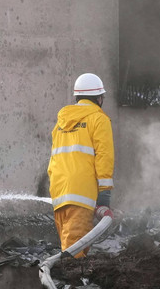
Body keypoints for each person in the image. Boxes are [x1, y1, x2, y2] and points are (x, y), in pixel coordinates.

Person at [47, 73, 114, 257]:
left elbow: (54, 161)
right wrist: (105, 193)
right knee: (74, 253)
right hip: (81, 195)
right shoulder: (99, 119)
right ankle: (69, 285)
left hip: (60, 194)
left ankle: (70, 283)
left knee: (68, 246)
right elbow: (104, 157)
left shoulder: (61, 123)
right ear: (99, 98)